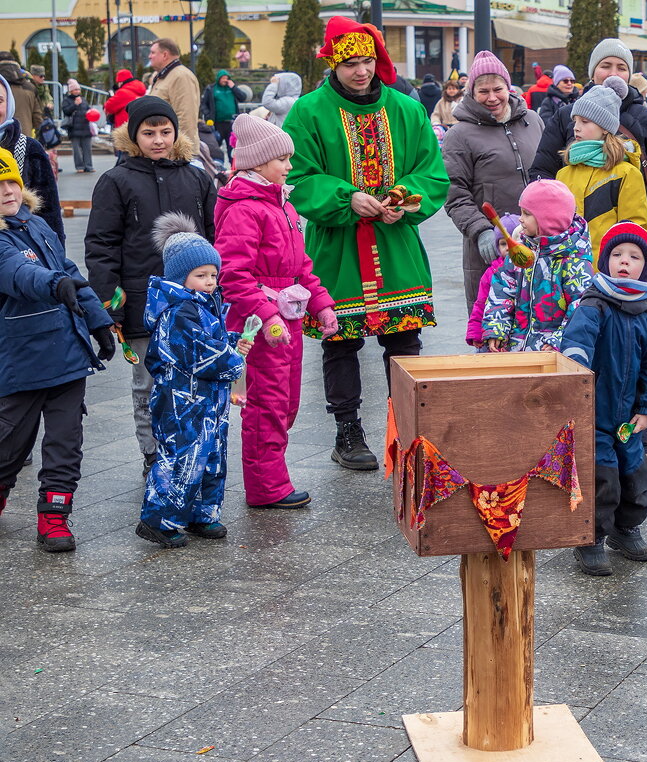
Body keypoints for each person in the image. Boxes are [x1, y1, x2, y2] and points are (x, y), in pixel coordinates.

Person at [282, 17, 449, 471]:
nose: (362, 70)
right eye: (351, 62)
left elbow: (432, 171)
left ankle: (409, 427)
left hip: (395, 243)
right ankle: (348, 431)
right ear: (333, 64)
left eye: (368, 60)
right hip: (337, 246)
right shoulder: (307, 112)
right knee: (339, 341)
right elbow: (296, 178)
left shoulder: (406, 109)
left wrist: (403, 199)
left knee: (405, 341)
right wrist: (346, 198)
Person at [85, 97, 217, 476]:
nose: (158, 140)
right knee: (148, 383)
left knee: (193, 378)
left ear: (176, 133)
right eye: (149, 133)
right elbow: (102, 246)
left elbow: (213, 234)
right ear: (134, 134)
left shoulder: (196, 177)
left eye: (165, 132)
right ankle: (152, 453)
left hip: (193, 301)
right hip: (141, 301)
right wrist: (110, 304)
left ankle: (192, 449)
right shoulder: (116, 181)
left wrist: (216, 287)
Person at [214, 114, 338, 509]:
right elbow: (233, 275)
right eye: (283, 159)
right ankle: (267, 486)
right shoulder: (244, 208)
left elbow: (301, 265)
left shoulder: (280, 204)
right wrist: (266, 315)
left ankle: (271, 474)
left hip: (288, 320)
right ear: (257, 163)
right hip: (259, 324)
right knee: (266, 403)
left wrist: (321, 302)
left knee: (286, 401)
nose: (289, 166)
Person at [0, 148, 114, 552]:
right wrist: (53, 283)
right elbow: (17, 272)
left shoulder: (38, 225)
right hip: (23, 360)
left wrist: (99, 322)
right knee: (9, 444)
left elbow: (70, 273)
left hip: (67, 355)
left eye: (11, 181)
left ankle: (54, 515)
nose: (7, 191)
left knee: (66, 442)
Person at [137, 214, 252, 548]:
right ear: (180, 276)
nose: (210, 281)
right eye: (200, 275)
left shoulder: (202, 304)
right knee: (182, 458)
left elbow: (211, 339)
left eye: (213, 275)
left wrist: (231, 340)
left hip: (207, 400)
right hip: (181, 402)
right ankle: (158, 519)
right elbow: (198, 352)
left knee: (211, 453)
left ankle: (202, 513)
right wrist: (232, 360)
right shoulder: (177, 311)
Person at [561, 221, 647, 576]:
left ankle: (626, 529)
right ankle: (590, 538)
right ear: (605, 261)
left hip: (629, 419)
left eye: (634, 256)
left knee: (636, 474)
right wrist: (577, 374)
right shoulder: (594, 305)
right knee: (601, 476)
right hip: (595, 414)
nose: (625, 261)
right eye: (617, 254)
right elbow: (577, 344)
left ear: (646, 267)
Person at [531, 39, 647, 245]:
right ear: (593, 72)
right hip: (571, 241)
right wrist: (556, 218)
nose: (613, 73)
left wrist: (645, 212)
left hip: (630, 242)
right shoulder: (566, 116)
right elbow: (542, 172)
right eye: (605, 66)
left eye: (621, 68)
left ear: (629, 75)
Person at [442, 50, 544, 310]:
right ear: (472, 93)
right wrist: (480, 231)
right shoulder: (460, 134)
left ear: (508, 87)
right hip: (492, 247)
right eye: (483, 91)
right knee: (494, 325)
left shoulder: (532, 121)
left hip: (539, 240)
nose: (491, 98)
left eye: (497, 89)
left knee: (539, 318)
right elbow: (454, 194)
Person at [481, 179, 592, 352]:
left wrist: (559, 341)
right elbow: (501, 291)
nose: (520, 219)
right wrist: (496, 329)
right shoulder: (520, 252)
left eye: (526, 213)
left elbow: (580, 306)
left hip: (550, 351)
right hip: (514, 347)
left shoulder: (573, 261)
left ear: (548, 219)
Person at [556, 77, 647, 261]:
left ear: (605, 128)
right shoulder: (563, 173)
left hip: (606, 273)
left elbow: (634, 228)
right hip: (566, 274)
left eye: (585, 121)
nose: (576, 128)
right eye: (575, 121)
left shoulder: (626, 173)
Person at [0, 74, 63, 241]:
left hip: (23, 256)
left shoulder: (29, 148)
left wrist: (55, 258)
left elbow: (49, 213)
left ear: (9, 104)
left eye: (0, 101)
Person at [465, 212, 519, 349]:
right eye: (502, 243)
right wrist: (476, 333)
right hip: (493, 334)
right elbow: (481, 304)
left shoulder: (531, 268)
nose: (508, 247)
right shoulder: (491, 273)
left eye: (513, 241)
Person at [148, 39, 202, 148]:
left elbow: (186, 117)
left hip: (173, 152)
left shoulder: (181, 76)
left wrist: (181, 153)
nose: (149, 56)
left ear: (165, 55)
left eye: (153, 52)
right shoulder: (164, 76)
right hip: (162, 147)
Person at [200, 70, 249, 161]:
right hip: (217, 123)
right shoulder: (211, 89)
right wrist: (208, 116)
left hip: (231, 123)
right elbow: (203, 104)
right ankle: (215, 166)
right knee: (215, 147)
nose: (225, 80)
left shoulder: (231, 88)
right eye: (223, 78)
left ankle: (233, 167)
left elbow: (243, 97)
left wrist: (233, 87)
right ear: (218, 78)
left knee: (232, 148)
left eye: (227, 78)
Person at [0, 61, 40, 137]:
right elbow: (37, 116)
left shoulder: (3, 88)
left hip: (4, 137)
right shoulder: (30, 88)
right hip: (24, 135)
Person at [62, 80, 94, 173]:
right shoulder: (66, 100)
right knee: (77, 150)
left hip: (85, 127)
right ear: (70, 91)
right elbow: (66, 111)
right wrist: (75, 104)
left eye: (78, 89)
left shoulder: (83, 99)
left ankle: (89, 166)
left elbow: (88, 110)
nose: (77, 91)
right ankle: (79, 166)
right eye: (75, 89)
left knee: (87, 149)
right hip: (74, 129)